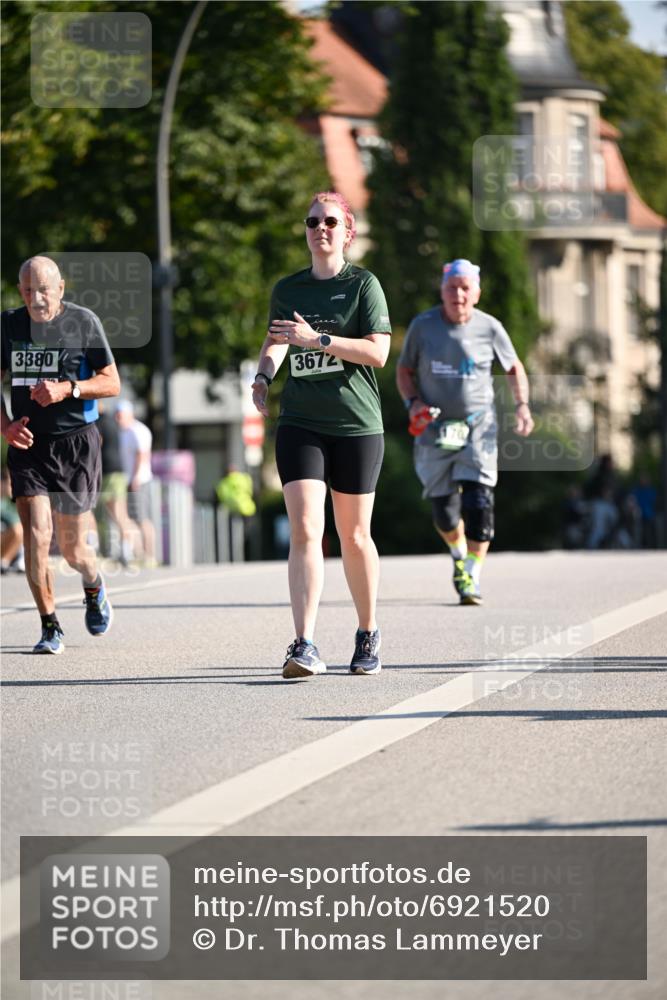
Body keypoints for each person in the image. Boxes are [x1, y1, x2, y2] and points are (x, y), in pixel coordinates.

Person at [251, 191, 391, 679]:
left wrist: (319, 340)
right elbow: (276, 343)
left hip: (356, 423)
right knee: (307, 529)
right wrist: (264, 376)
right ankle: (305, 643)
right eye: (312, 221)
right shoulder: (289, 289)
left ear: (347, 230)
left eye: (330, 220)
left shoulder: (363, 286)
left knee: (353, 535)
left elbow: (378, 354)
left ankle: (367, 631)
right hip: (301, 422)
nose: (320, 228)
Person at [396, 258, 534, 605]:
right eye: (451, 287)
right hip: (434, 427)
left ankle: (471, 572)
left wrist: (522, 405)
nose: (457, 294)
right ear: (441, 291)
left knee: (479, 502)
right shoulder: (423, 326)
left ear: (476, 292)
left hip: (478, 426)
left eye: (464, 287)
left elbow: (514, 366)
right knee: (444, 511)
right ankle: (459, 555)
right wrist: (413, 403)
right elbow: (404, 370)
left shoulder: (490, 327)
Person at [0, 255, 120, 653]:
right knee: (36, 535)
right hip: (29, 443)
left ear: (61, 288)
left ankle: (92, 582)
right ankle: (50, 625)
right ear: (20, 291)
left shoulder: (83, 322)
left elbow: (112, 382)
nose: (37, 298)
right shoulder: (9, 326)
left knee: (72, 549)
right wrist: (5, 425)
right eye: (29, 290)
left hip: (76, 444)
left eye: (44, 289)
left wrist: (67, 389)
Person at [115, 399, 157, 567]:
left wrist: (136, 477)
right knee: (130, 518)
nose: (118, 419)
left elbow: (142, 455)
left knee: (142, 518)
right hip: (126, 479)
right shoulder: (123, 432)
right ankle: (137, 554)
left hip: (139, 480)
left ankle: (149, 555)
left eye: (121, 416)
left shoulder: (138, 431)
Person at [94, 400, 136, 565]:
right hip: (117, 472)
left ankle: (125, 550)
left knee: (116, 513)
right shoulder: (112, 420)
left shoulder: (100, 422)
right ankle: (126, 550)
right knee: (119, 513)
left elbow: (97, 443)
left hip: (109, 472)